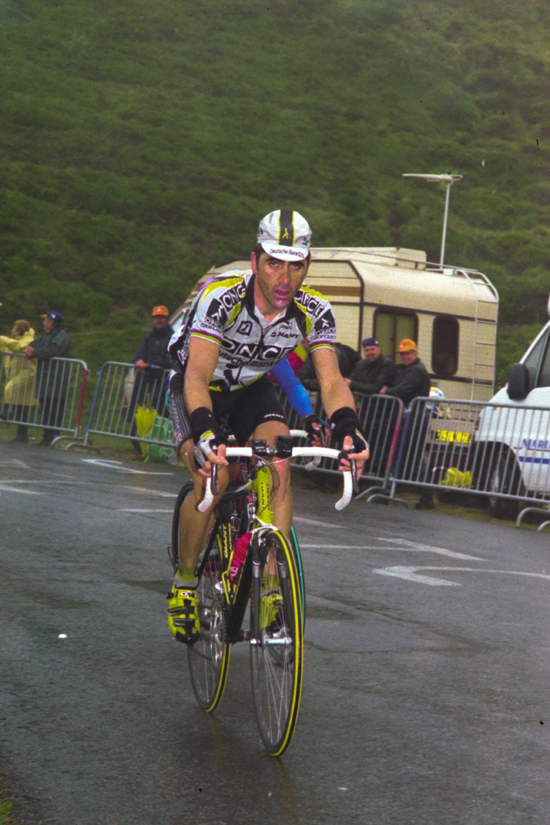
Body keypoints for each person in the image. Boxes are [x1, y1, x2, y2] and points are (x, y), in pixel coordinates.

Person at [167, 209, 369, 644]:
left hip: (250, 392)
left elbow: (331, 380)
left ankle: (272, 594)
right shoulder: (221, 298)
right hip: (200, 390)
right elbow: (197, 378)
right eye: (275, 262)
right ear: (255, 260)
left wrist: (347, 428)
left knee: (278, 464)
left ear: (307, 266)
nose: (284, 276)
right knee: (213, 476)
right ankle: (185, 581)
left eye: (296, 264)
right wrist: (205, 434)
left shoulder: (315, 311)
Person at [380, 339, 432, 509]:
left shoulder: (415, 371)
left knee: (414, 458)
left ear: (415, 354)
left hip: (415, 419)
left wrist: (387, 391)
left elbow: (403, 390)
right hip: (410, 417)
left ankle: (426, 497)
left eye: (408, 353)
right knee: (401, 456)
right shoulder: (410, 369)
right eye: (402, 354)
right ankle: (389, 491)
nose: (405, 356)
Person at [128, 306, 174, 454]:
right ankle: (138, 444)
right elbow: (139, 354)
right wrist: (138, 362)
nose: (159, 320)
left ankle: (158, 447)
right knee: (139, 409)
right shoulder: (149, 336)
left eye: (162, 317)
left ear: (167, 319)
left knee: (160, 413)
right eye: (156, 317)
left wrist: (148, 365)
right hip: (145, 379)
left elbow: (168, 359)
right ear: (153, 319)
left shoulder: (172, 336)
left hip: (161, 382)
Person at [24, 311, 71, 446]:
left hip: (56, 378)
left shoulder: (61, 336)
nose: (44, 322)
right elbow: (34, 342)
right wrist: (30, 348)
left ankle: (52, 437)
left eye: (46, 320)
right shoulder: (46, 334)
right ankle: (47, 436)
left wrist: (34, 353)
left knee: (54, 407)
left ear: (52, 323)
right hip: (45, 377)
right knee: (45, 406)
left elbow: (52, 351)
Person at [0, 320, 37, 442]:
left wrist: (2, 339)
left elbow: (20, 347)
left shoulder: (28, 339)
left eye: (14, 329)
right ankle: (22, 434)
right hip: (16, 374)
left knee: (10, 389)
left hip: (27, 373)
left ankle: (7, 411)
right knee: (22, 405)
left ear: (20, 331)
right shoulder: (11, 342)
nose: (12, 331)